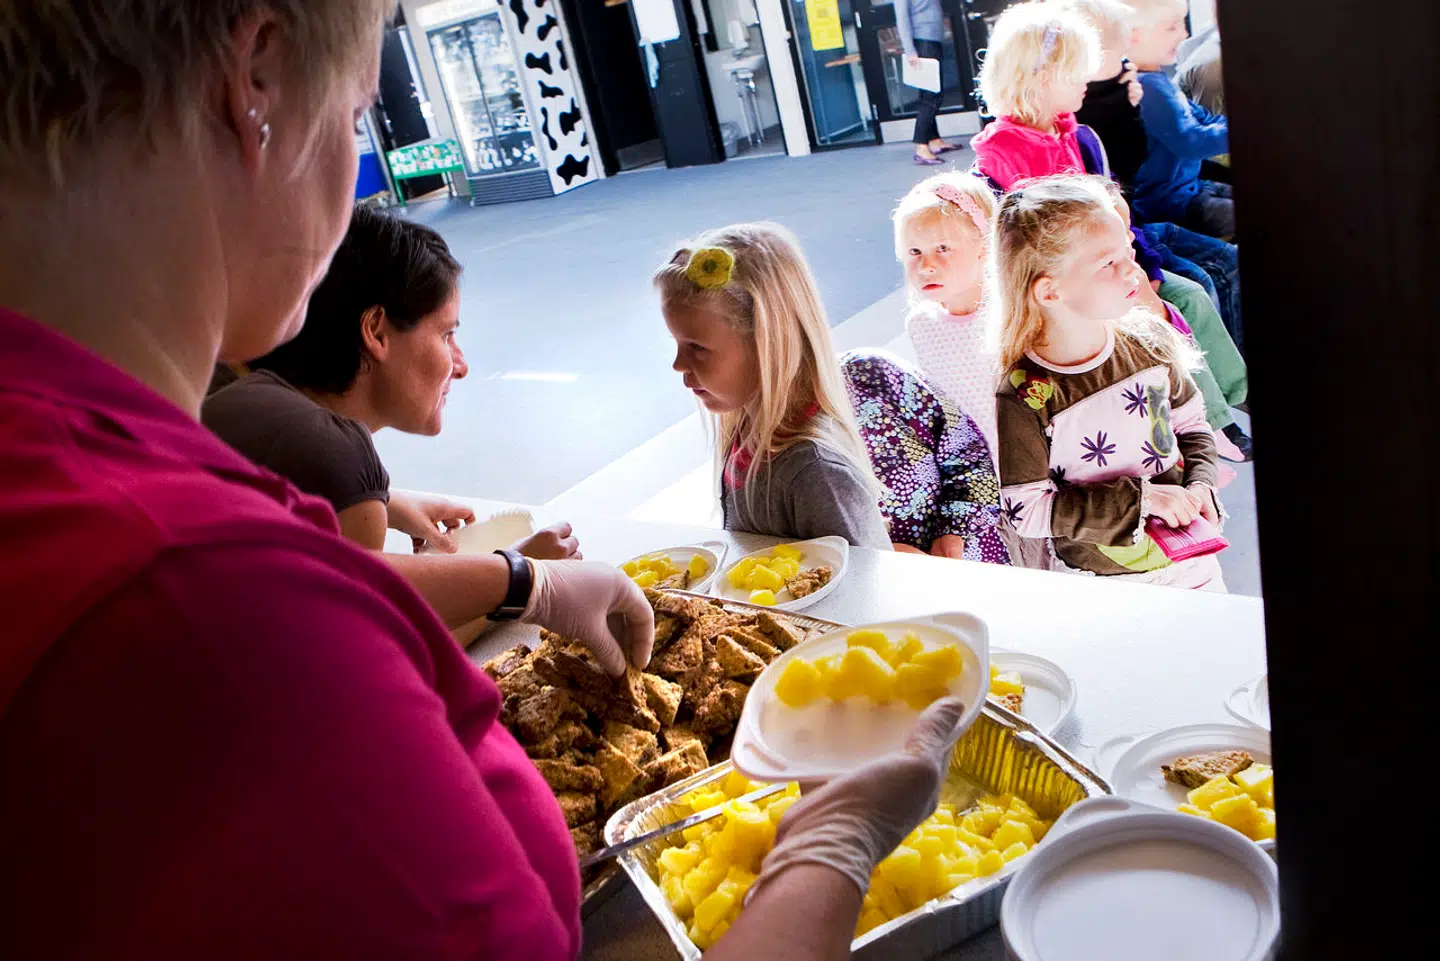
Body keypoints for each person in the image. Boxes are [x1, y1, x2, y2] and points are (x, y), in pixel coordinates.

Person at [0, 5, 961, 959]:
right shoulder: (206, 592)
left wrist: (521, 581)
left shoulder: (91, 485)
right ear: (257, 81)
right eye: (349, 118)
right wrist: (830, 850)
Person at [204, 205, 581, 557]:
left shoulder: (236, 401)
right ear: (376, 332)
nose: (461, 366)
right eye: (446, 335)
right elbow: (373, 628)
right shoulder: (334, 454)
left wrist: (383, 500)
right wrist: (523, 574)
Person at [971, 1, 1250, 456]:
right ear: (1044, 76)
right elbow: (1030, 246)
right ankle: (1206, 426)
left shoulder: (1078, 135)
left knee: (1191, 295)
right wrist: (1132, 274)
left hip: (1118, 258)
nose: (1088, 77)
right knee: (1165, 312)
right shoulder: (999, 156)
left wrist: (1145, 264)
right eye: (1077, 69)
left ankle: (1228, 401)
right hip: (1077, 280)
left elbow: (1120, 211)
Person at [991, 176, 1227, 590]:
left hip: (1194, 566)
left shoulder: (1152, 343)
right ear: (1049, 290)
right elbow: (1025, 509)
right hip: (1102, 584)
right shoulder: (1026, 394)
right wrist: (1146, 499)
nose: (1131, 271)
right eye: (1107, 263)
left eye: (1128, 252)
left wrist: (1201, 485)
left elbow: (1193, 427)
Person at [655, 223, 891, 549]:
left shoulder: (816, 472)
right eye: (678, 343)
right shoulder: (747, 427)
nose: (678, 364)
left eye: (697, 347)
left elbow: (867, 587)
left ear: (768, 344)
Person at [842, 350, 1011, 564]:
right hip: (871, 587)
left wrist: (955, 531)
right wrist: (878, 554)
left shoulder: (870, 374)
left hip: (969, 563)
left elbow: (967, 450)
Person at [895, 172, 1002, 461]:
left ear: (984, 247)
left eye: (942, 248)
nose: (927, 265)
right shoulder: (921, 325)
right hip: (971, 472)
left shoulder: (1009, 314)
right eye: (914, 251)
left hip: (1029, 463)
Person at [1127, 0, 1233, 237]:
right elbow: (1192, 143)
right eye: (1172, 28)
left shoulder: (1156, 79)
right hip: (1173, 203)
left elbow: (1201, 117)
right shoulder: (1148, 88)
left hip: (1190, 187)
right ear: (1133, 35)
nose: (1185, 34)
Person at [895, 0, 959, 164]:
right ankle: (921, 148)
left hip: (931, 41)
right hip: (923, 43)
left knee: (929, 92)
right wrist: (910, 50)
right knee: (932, 95)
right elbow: (902, 18)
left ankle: (935, 141)